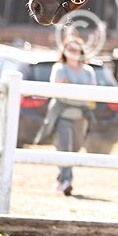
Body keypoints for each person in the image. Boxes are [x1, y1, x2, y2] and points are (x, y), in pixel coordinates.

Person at [36, 39, 97, 196]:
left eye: (76, 49)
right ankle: (67, 181)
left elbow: (91, 92)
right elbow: (59, 89)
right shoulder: (60, 68)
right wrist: (78, 91)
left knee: (75, 148)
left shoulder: (88, 71)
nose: (73, 53)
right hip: (63, 115)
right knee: (65, 147)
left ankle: (62, 176)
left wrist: (73, 89)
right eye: (70, 49)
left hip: (80, 116)